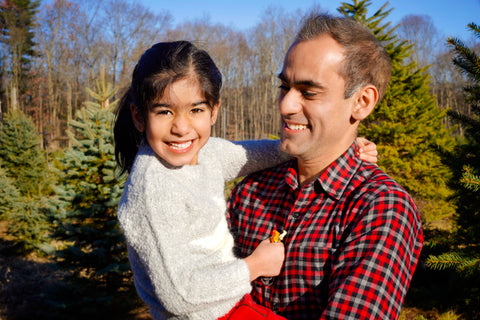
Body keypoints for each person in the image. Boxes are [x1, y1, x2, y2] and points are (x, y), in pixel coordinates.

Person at [114, 41, 378, 319]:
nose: (181, 128)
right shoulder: (153, 191)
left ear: (214, 111)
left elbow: (259, 153)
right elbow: (180, 296)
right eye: (164, 111)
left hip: (229, 304)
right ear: (139, 117)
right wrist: (256, 265)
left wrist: (338, 145)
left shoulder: (207, 152)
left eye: (196, 110)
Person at [227, 13, 423, 320]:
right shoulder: (251, 190)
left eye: (309, 92)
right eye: (285, 86)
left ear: (362, 102)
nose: (286, 105)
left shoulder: (380, 208)